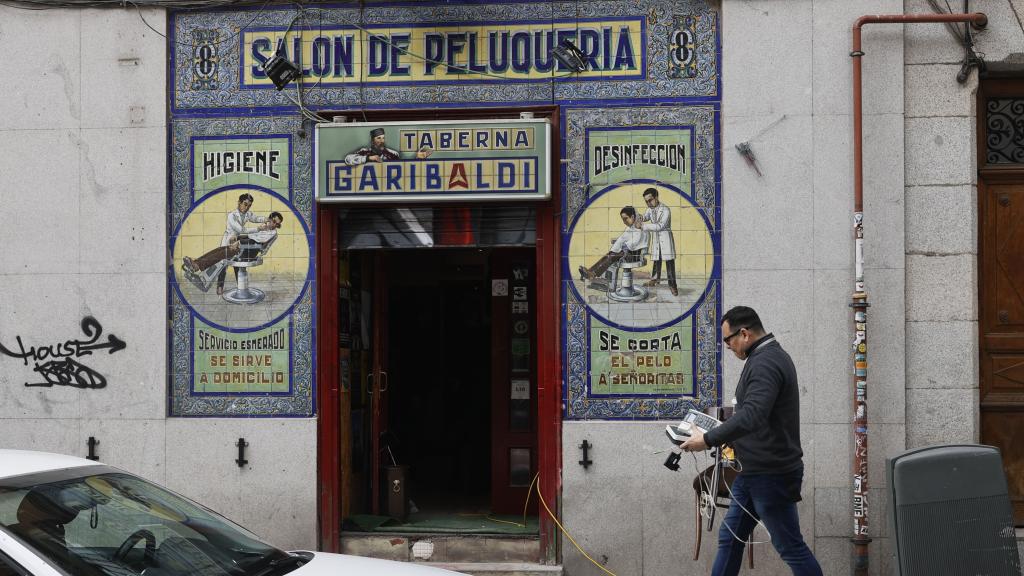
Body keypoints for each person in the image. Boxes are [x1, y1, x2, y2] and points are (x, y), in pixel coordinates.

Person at [680, 306, 822, 576]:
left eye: (728, 340)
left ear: (744, 334)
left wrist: (708, 439)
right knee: (730, 538)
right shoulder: (766, 357)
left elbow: (753, 415)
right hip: (753, 471)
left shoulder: (766, 363)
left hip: (771, 474)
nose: (728, 347)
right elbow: (752, 413)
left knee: (790, 547)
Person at [185, 212, 282, 275]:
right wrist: (237, 237)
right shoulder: (265, 228)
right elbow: (250, 236)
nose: (274, 225)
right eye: (273, 221)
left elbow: (255, 242)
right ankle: (196, 262)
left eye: (277, 224)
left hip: (250, 252)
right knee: (220, 249)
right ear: (269, 219)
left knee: (222, 253)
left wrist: (239, 242)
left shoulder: (271, 233)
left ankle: (197, 266)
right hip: (245, 248)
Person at [578, 206, 647, 280]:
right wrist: (615, 248)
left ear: (632, 216)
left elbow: (634, 242)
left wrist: (622, 247)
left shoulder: (638, 227)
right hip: (627, 252)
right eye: (623, 219)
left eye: (626, 218)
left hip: (634, 256)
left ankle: (592, 274)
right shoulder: (630, 228)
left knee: (612, 255)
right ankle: (590, 271)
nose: (624, 221)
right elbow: (622, 239)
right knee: (610, 254)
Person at [216, 193, 267, 295]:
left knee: (237, 262)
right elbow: (241, 229)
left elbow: (256, 218)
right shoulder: (232, 215)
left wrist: (267, 219)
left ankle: (240, 287)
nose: (247, 207)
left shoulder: (247, 214)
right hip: (228, 240)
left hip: (237, 240)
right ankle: (220, 286)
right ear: (239, 202)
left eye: (249, 205)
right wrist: (257, 229)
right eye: (245, 204)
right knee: (223, 264)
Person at [641, 187, 678, 297]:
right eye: (646, 201)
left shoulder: (665, 209)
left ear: (656, 197)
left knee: (669, 262)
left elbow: (660, 226)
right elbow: (645, 217)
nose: (648, 203)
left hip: (665, 237)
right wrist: (639, 217)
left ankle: (673, 285)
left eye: (650, 200)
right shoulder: (650, 209)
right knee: (657, 260)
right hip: (657, 237)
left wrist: (643, 226)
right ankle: (654, 280)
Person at [344, 127, 432, 165]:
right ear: (372, 140)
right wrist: (369, 158)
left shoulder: (392, 153)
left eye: (383, 138)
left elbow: (404, 168)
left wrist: (418, 158)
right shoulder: (364, 151)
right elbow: (348, 159)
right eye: (378, 138)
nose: (382, 141)